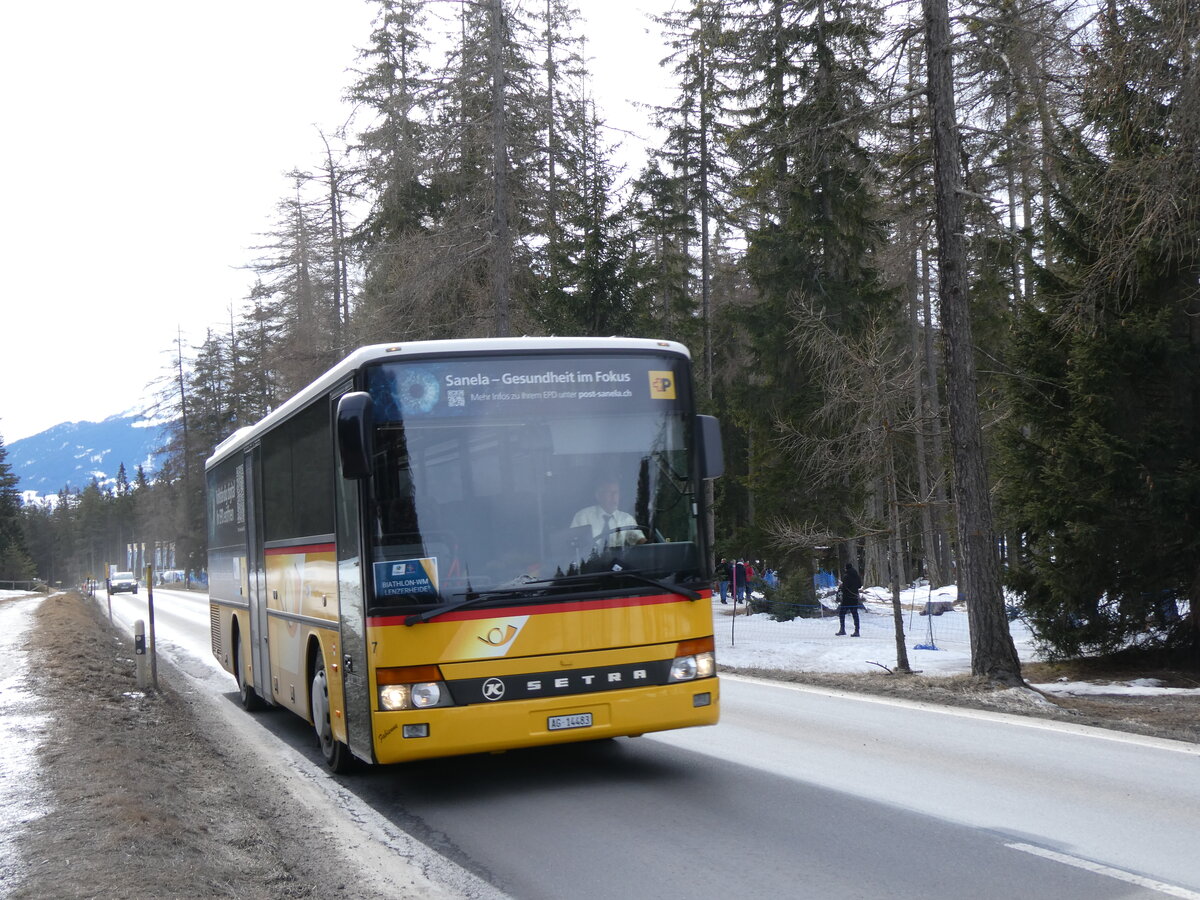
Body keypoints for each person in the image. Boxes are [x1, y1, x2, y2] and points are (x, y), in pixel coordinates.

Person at [571, 479, 645, 549]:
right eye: (609, 493)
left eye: (616, 493)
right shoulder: (583, 516)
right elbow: (572, 543)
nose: (614, 497)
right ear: (598, 496)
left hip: (616, 561)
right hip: (590, 560)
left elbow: (641, 542)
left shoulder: (626, 519)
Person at [836, 562, 863, 636]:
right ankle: (857, 631)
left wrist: (841, 586)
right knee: (855, 614)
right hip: (854, 598)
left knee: (842, 613)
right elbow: (860, 585)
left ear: (846, 568)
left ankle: (842, 629)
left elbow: (844, 588)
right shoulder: (857, 576)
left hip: (847, 598)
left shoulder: (846, 576)